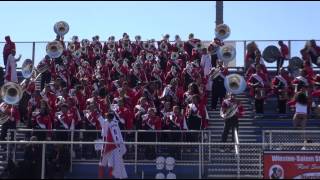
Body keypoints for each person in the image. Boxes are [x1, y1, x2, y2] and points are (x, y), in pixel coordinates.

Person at [98, 112, 127, 179]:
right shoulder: (115, 123)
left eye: (106, 117)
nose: (105, 118)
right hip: (115, 145)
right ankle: (115, 177)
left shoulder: (109, 123)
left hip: (109, 145)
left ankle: (101, 177)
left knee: (103, 162)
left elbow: (100, 118)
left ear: (108, 118)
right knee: (113, 163)